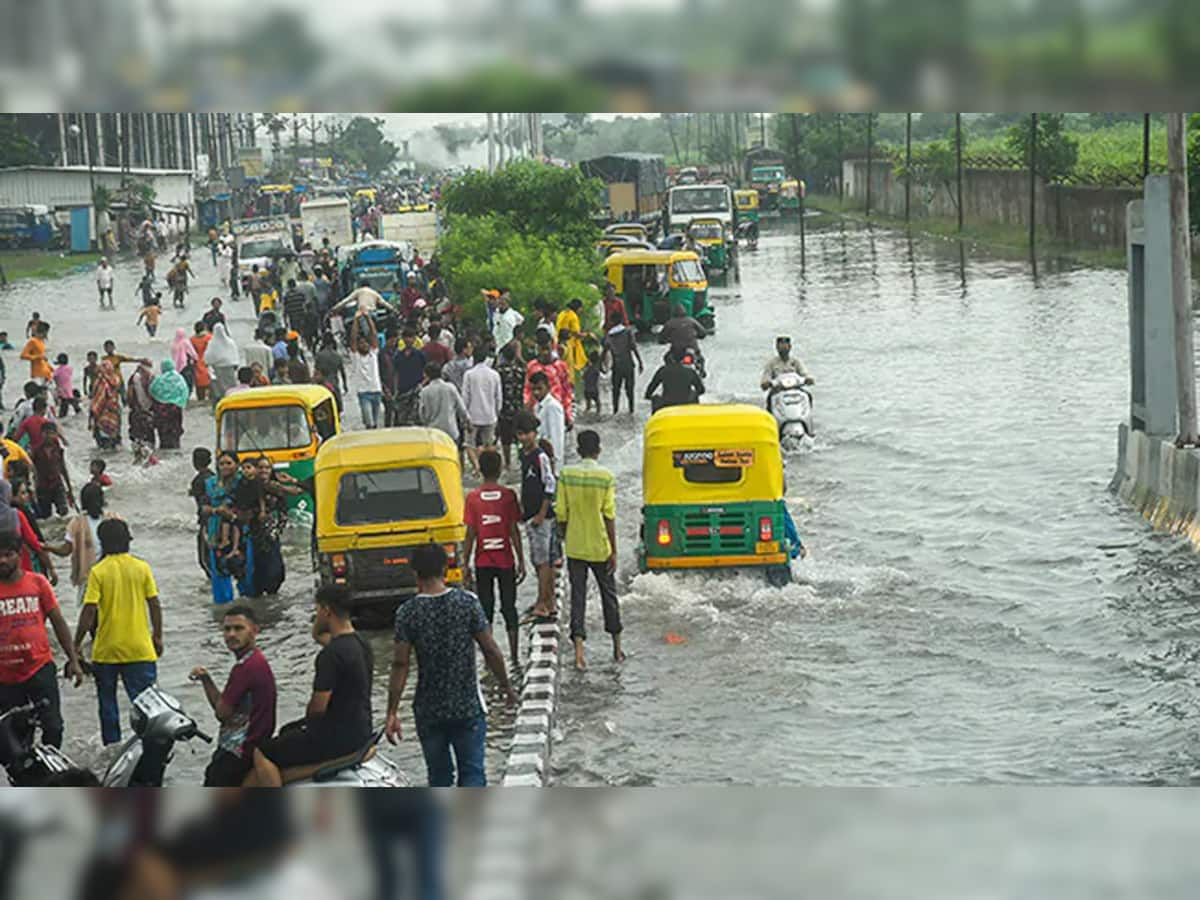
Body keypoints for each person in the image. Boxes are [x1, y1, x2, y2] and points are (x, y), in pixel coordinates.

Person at [387, 543, 517, 787]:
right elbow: (490, 649)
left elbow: (400, 664)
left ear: (415, 573)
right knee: (472, 773)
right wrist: (507, 686)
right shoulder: (467, 602)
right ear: (445, 569)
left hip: (429, 709)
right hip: (466, 705)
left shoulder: (407, 612)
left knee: (438, 776)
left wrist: (392, 712)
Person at [250, 586, 375, 787]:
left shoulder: (330, 655)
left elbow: (317, 708)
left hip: (336, 736)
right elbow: (320, 637)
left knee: (262, 752)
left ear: (326, 611)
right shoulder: (361, 644)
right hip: (361, 729)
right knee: (287, 731)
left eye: (317, 610)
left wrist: (307, 724)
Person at [73, 518, 163, 746]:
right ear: (127, 541)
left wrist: (75, 645)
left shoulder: (99, 571)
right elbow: (154, 604)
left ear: (102, 542)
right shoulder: (141, 567)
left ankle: (112, 747)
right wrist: (158, 636)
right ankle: (149, 746)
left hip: (106, 650)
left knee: (107, 705)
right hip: (139, 648)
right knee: (146, 704)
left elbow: (89, 611)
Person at [0, 530, 83, 750]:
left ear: (19, 554)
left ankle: (52, 777)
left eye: (8, 554)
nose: (2, 560)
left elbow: (58, 622)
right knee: (16, 738)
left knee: (53, 726)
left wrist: (73, 659)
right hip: (6, 677)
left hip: (39, 668)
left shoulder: (38, 583)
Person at [189, 605, 278, 786]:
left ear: (254, 631)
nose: (231, 634)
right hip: (256, 742)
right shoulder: (256, 660)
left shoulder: (245, 668)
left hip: (240, 748)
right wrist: (206, 677)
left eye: (239, 628)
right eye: (227, 629)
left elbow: (222, 713)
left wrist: (206, 681)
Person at [557, 430, 623, 670]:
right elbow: (609, 515)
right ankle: (616, 647)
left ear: (578, 450)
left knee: (578, 597)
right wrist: (614, 550)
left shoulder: (567, 474)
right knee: (609, 596)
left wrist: (566, 536)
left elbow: (561, 512)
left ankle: (579, 653)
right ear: (599, 450)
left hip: (575, 547)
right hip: (600, 546)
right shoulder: (605, 477)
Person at [463, 450, 525, 665]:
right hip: (505, 560)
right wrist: (522, 560)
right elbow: (513, 530)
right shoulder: (508, 496)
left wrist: (465, 564)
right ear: (500, 470)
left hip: (483, 561)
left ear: (479, 469)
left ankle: (491, 658)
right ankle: (515, 655)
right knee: (509, 607)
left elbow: (470, 534)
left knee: (485, 610)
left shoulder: (472, 498)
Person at [515, 410, 559, 620]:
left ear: (534, 433)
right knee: (543, 561)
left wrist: (541, 513)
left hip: (541, 518)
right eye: (520, 434)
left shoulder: (540, 456)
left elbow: (550, 483)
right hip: (531, 514)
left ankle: (542, 603)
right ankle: (548, 601)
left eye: (527, 434)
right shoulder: (523, 455)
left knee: (542, 562)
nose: (523, 438)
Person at [202, 451, 239, 605]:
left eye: (229, 463)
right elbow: (203, 507)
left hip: (238, 531)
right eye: (222, 463)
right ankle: (224, 605)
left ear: (236, 465)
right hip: (214, 530)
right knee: (219, 570)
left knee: (244, 571)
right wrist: (216, 511)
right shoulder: (210, 483)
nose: (225, 467)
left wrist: (229, 513)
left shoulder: (241, 483)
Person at [63, 483, 109, 603]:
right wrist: (46, 548)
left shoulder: (112, 519)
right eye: (92, 502)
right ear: (86, 504)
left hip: (109, 576)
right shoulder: (77, 523)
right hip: (87, 576)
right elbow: (66, 549)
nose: (96, 504)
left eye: (98, 500)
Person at [460, 346, 502, 477]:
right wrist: (497, 412)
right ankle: (488, 469)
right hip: (490, 415)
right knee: (489, 445)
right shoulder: (494, 374)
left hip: (473, 415)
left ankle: (476, 466)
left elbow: (465, 397)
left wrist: (464, 416)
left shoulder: (469, 374)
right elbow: (498, 396)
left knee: (469, 444)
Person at [524, 331, 574, 425]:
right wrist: (528, 410)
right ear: (537, 348)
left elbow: (567, 392)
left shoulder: (561, 366)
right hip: (537, 413)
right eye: (542, 349)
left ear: (552, 345)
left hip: (557, 411)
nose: (545, 353)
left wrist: (568, 414)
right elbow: (527, 390)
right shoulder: (532, 366)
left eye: (547, 348)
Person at [601, 312, 643, 415]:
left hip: (616, 365)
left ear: (612, 322)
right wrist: (640, 362)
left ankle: (615, 410)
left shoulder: (609, 335)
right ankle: (631, 410)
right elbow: (633, 347)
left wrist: (600, 365)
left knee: (616, 389)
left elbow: (604, 351)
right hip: (628, 363)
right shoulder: (628, 332)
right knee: (630, 389)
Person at [32, 422, 74, 519]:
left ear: (56, 434)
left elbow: (63, 468)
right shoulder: (36, 450)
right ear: (42, 434)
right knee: (46, 516)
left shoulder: (59, 450)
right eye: (46, 433)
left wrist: (69, 489)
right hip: (42, 487)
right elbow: (31, 469)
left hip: (57, 484)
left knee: (64, 513)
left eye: (51, 433)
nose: (48, 436)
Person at [349, 311, 383, 429]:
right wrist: (356, 320)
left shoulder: (373, 354)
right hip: (364, 393)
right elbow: (353, 338)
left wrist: (368, 318)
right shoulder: (356, 357)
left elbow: (373, 334)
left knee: (375, 422)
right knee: (369, 423)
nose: (364, 345)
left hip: (376, 391)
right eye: (361, 343)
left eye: (365, 343)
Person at [419, 362, 467, 445]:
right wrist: (467, 421)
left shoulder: (424, 392)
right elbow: (461, 408)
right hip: (451, 431)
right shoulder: (450, 387)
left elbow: (422, 414)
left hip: (434, 433)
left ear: (426, 375)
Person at [496, 344, 526, 474]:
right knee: (520, 436)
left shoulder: (499, 371)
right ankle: (522, 460)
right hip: (519, 409)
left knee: (505, 439)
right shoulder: (521, 370)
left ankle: (507, 463)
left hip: (504, 409)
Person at [529, 371, 566, 471]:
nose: (536, 392)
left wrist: (555, 462)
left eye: (539, 389)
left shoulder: (553, 407)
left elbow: (557, 436)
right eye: (533, 389)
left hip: (551, 459)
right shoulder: (538, 406)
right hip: (542, 455)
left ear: (548, 387)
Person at [149, 360, 188, 449]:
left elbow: (152, 390)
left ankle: (165, 450)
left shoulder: (159, 380)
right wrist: (180, 403)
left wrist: (161, 399)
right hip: (176, 410)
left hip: (162, 411)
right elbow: (185, 392)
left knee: (163, 433)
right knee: (175, 432)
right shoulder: (179, 378)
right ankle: (175, 449)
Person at [188, 448, 213, 578]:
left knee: (205, 559)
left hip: (205, 521)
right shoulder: (213, 476)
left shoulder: (198, 480)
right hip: (214, 520)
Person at [90, 361, 123, 449]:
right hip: (114, 411)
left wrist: (92, 413)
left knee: (103, 440)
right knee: (114, 436)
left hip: (103, 413)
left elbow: (97, 399)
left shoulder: (101, 382)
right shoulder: (116, 379)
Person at [205, 323, 240, 405]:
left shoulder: (211, 344)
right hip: (229, 370)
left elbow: (207, 359)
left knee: (218, 391)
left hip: (216, 370)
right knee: (231, 390)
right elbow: (235, 358)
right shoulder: (231, 343)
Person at [555, 298, 588, 381]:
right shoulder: (573, 316)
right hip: (569, 343)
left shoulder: (562, 313)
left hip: (558, 341)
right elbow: (576, 333)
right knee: (569, 367)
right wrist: (587, 335)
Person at [127, 362, 156, 448]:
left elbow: (129, 395)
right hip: (149, 411)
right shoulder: (150, 377)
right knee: (149, 438)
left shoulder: (133, 378)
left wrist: (131, 405)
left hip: (136, 411)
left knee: (137, 438)